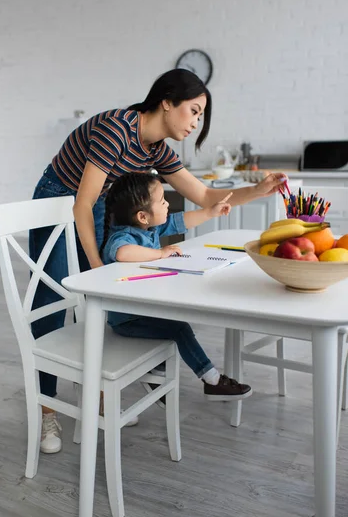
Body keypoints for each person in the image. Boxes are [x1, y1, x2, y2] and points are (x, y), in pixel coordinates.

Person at [29, 68, 287, 453]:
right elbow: (79, 203)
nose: (197, 123)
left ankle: (98, 398)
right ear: (167, 102)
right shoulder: (116, 130)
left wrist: (259, 190)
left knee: (98, 302)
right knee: (53, 305)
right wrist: (98, 266)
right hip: (58, 197)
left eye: (201, 115)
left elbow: (204, 197)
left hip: (94, 203)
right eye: (194, 111)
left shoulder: (156, 151)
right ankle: (47, 412)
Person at [101, 171, 253, 403]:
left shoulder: (149, 228)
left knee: (174, 324)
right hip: (127, 320)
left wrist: (210, 212)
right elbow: (122, 252)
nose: (167, 204)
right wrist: (159, 253)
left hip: (146, 310)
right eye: (162, 201)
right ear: (142, 216)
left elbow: (181, 221)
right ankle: (211, 380)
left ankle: (156, 379)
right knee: (179, 329)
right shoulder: (123, 237)